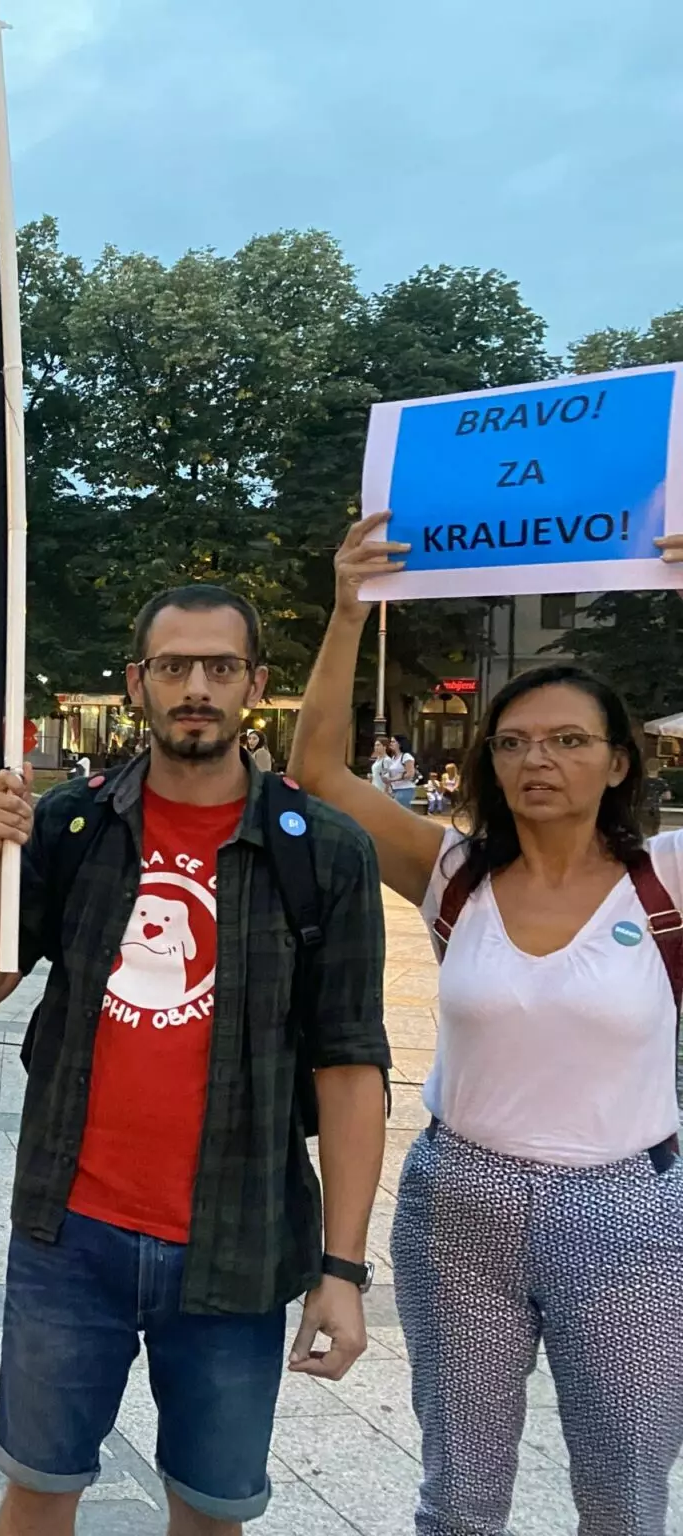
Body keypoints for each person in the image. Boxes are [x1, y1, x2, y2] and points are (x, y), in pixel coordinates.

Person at [0, 583, 390, 1534]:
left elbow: (352, 1068)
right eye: (174, 666)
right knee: (37, 1486)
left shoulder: (325, 852)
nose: (197, 688)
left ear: (255, 685)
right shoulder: (75, 824)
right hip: (72, 1233)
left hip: (238, 1241)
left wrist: (343, 1269)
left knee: (211, 1509)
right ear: (138, 681)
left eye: (221, 667)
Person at [289, 511, 683, 1533]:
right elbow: (319, 774)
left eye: (567, 741)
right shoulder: (453, 874)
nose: (536, 760)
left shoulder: (664, 881)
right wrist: (347, 608)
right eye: (511, 743)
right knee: (459, 1496)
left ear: (618, 762)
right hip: (460, 1200)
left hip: (626, 1210)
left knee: (625, 1495)